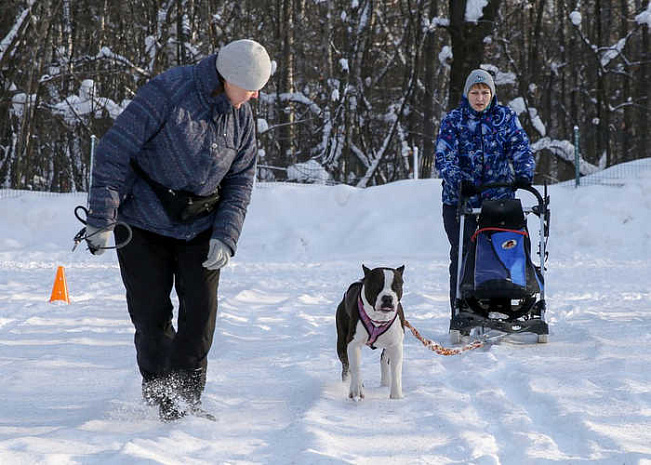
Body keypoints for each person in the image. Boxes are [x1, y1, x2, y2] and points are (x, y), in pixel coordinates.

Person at [84, 39, 272, 421]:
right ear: (227, 77)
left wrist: (226, 234)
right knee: (151, 314)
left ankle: (186, 397)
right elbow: (114, 151)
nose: (253, 96)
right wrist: (102, 216)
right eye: (250, 87)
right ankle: (160, 396)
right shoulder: (168, 92)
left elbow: (241, 180)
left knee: (200, 315)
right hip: (143, 221)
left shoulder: (241, 118)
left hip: (201, 225)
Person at [434, 69, 535, 328]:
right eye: (475, 92)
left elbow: (520, 146)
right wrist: (459, 181)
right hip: (461, 201)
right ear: (466, 94)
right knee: (464, 253)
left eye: (484, 92)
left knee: (503, 250)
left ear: (492, 94)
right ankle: (462, 310)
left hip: (498, 200)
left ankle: (503, 301)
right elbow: (444, 157)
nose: (480, 98)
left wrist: (524, 173)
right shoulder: (453, 121)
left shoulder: (505, 118)